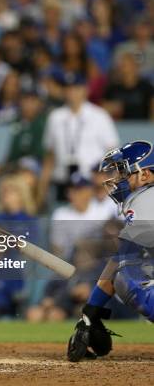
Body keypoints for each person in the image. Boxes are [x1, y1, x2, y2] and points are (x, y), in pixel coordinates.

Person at [67, 140, 154, 362]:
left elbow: (123, 262)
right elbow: (119, 260)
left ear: (145, 175)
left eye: (125, 172)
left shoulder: (145, 199)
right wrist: (90, 314)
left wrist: (91, 312)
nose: (118, 180)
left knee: (129, 278)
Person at [38, 73, 119, 206]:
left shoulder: (99, 116)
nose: (72, 92)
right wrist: (42, 189)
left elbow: (113, 154)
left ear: (85, 90)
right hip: (62, 180)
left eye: (76, 88)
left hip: (90, 181)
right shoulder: (55, 117)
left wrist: (109, 185)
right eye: (68, 88)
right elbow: (49, 156)